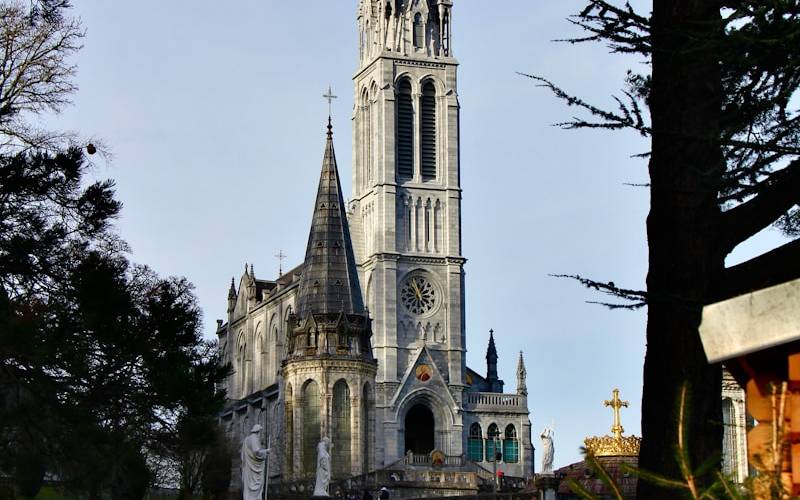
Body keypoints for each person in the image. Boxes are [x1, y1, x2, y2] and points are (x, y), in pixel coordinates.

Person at [240, 424, 268, 500]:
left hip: (248, 467)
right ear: (258, 432)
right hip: (253, 468)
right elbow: (256, 452)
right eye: (260, 432)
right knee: (256, 485)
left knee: (248, 485)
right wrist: (266, 451)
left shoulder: (246, 439)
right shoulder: (254, 439)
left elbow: (243, 454)